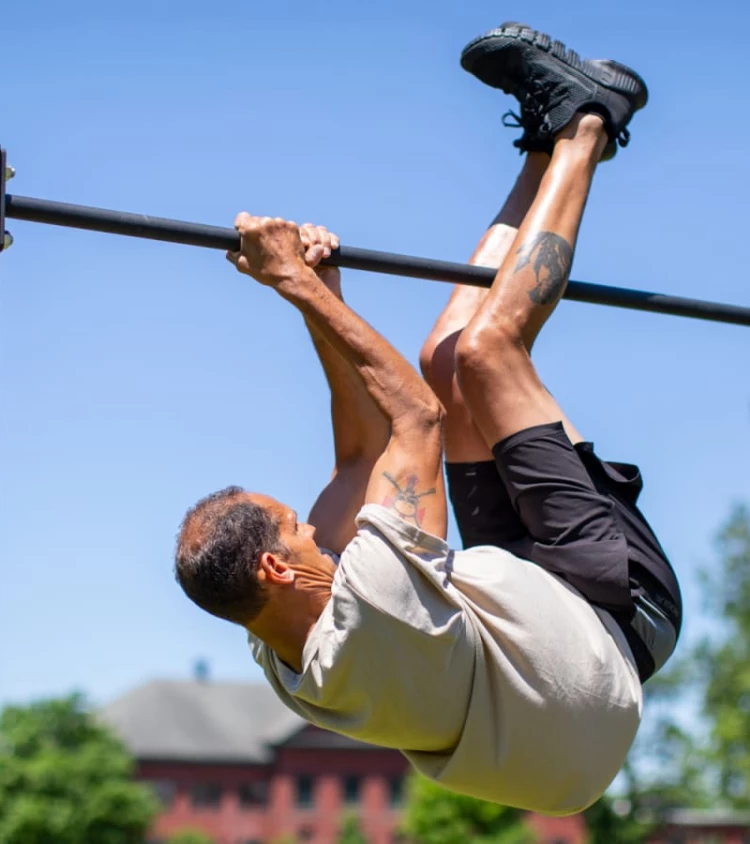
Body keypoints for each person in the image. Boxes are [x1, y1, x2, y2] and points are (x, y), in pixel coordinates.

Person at [173, 22, 682, 816]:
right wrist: (292, 287)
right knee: (486, 354)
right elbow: (412, 420)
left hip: (531, 634)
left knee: (444, 353)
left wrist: (324, 296)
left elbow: (359, 454)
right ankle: (589, 126)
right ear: (276, 567)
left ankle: (543, 145)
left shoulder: (284, 643)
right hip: (617, 617)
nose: (311, 528)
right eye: (294, 532)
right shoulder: (372, 606)